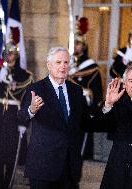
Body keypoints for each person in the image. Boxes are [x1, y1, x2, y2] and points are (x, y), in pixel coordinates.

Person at [17, 47, 94, 189]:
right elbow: (21, 117)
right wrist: (31, 110)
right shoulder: (36, 89)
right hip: (43, 167)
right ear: (49, 65)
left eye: (66, 62)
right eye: (58, 62)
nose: (63, 66)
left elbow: (86, 122)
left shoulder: (76, 91)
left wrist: (107, 105)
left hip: (69, 168)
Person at [0, 42, 33, 189]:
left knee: (11, 155)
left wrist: (24, 123)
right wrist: (0, 78)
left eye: (11, 53)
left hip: (14, 117)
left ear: (16, 55)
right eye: (6, 52)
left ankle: (7, 185)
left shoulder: (25, 76)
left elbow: (28, 101)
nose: (8, 55)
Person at [68, 16, 103, 160]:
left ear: (84, 46)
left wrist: (93, 109)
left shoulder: (90, 66)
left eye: (78, 43)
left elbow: (96, 91)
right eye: (73, 43)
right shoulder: (64, 62)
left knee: (79, 146)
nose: (75, 46)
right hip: (65, 104)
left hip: (82, 106)